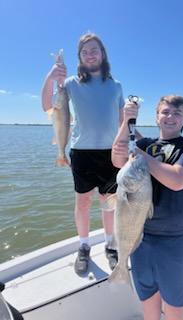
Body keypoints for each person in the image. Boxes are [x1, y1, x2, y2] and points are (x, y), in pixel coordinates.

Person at [112, 95, 183, 320]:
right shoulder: (145, 145)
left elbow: (178, 179)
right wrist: (127, 120)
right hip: (141, 239)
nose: (170, 117)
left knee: (174, 307)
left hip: (175, 242)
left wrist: (141, 157)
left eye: (177, 113)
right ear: (156, 117)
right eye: (165, 112)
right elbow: (117, 156)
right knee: (149, 302)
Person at [41, 33, 125, 275]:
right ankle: (84, 246)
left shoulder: (115, 85)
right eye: (84, 51)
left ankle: (110, 246)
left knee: (108, 204)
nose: (90, 54)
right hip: (81, 152)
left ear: (102, 53)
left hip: (111, 154)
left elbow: (122, 120)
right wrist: (50, 76)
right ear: (80, 57)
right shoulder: (69, 83)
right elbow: (48, 105)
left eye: (94, 50)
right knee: (83, 202)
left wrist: (131, 145)